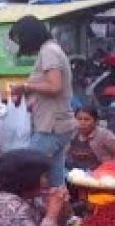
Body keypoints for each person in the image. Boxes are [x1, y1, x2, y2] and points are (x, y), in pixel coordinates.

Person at [9, 16, 76, 188]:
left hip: (50, 127)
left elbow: (55, 86)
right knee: (55, 180)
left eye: (20, 40)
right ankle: (61, 212)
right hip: (57, 124)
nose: (20, 46)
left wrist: (25, 87)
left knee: (24, 170)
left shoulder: (49, 52)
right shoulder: (51, 50)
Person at [66, 104, 115, 172]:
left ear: (96, 121)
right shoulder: (70, 134)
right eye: (79, 119)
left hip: (101, 175)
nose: (82, 123)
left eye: (87, 119)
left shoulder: (104, 135)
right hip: (75, 174)